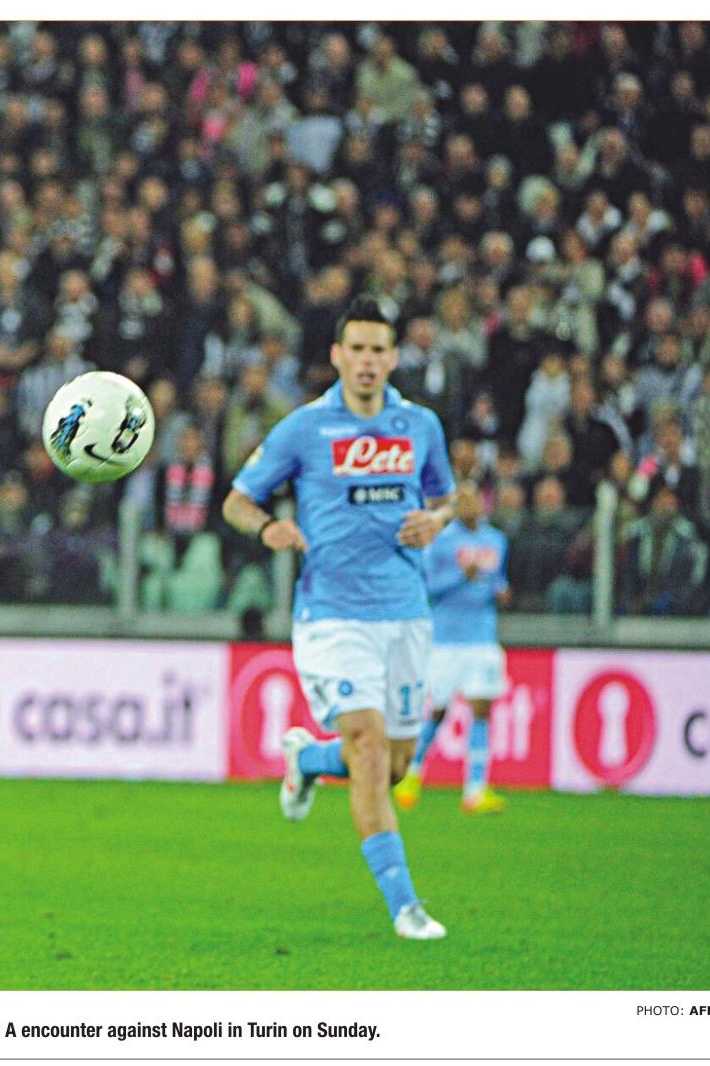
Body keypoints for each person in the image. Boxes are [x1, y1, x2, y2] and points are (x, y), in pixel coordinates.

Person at [222, 296, 455, 940]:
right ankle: (405, 906)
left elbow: (448, 497)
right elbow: (237, 501)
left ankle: (307, 760)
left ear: (394, 357)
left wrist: (436, 521)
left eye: (379, 349)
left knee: (395, 764)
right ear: (337, 356)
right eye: (357, 349)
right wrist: (267, 527)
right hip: (332, 616)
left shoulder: (420, 426)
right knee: (370, 747)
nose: (367, 361)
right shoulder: (304, 428)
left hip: (405, 615)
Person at [394, 481, 510, 814]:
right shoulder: (442, 542)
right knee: (439, 710)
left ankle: (475, 789)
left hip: (482, 636)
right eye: (464, 500)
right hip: (446, 639)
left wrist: (502, 591)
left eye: (476, 499)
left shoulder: (496, 540)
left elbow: (497, 580)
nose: (472, 506)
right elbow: (427, 587)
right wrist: (461, 575)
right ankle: (412, 772)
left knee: (482, 707)